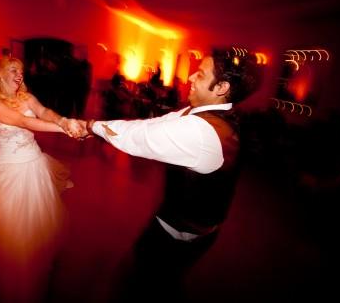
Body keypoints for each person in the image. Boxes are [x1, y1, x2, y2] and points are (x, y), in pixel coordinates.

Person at [80, 48, 262, 301]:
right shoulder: (203, 113)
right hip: (183, 226)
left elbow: (139, 137)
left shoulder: (201, 131)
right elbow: (155, 125)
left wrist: (90, 126)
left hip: (179, 236)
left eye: (200, 74)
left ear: (221, 87)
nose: (190, 78)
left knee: (145, 283)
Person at [0, 57, 82, 302]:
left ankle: (39, 262)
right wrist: (65, 129)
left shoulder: (27, 97)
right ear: (0, 74)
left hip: (35, 166)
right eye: (13, 70)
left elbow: (44, 112)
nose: (19, 74)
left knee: (38, 223)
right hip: (9, 172)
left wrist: (63, 120)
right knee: (14, 234)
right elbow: (22, 121)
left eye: (21, 70)